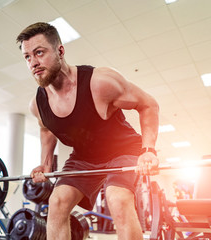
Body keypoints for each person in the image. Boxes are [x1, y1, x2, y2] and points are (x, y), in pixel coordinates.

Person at [16, 22, 160, 240]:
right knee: (57, 202)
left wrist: (149, 150)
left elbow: (148, 105)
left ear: (60, 51)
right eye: (27, 57)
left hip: (123, 149)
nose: (33, 63)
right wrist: (45, 164)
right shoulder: (37, 103)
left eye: (39, 53)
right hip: (83, 157)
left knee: (117, 198)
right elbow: (46, 129)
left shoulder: (100, 82)